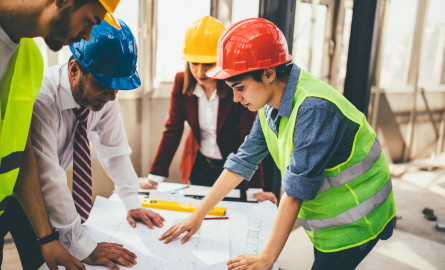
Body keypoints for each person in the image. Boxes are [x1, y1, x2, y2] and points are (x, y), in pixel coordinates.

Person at [159, 18, 396, 270]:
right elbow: (243, 160)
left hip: (356, 222)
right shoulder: (269, 103)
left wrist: (267, 258)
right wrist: (199, 214)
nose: (236, 98)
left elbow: (295, 192)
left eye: (240, 88)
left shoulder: (314, 109)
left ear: (269, 73)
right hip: (330, 220)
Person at [22, 19, 165, 269]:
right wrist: (85, 247)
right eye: (104, 86)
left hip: (48, 188)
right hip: (21, 191)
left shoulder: (104, 97)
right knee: (41, 258)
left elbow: (115, 151)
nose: (111, 97)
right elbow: (48, 176)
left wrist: (132, 201)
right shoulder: (43, 98)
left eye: (117, 89)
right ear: (75, 69)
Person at [0, 0, 122, 269]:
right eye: (90, 20)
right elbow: (49, 173)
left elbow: (24, 152)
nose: (88, 36)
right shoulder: (45, 89)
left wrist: (47, 238)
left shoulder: (28, 59)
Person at [139, 16, 277, 204]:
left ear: (221, 61)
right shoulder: (181, 83)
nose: (200, 71)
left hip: (232, 166)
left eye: (208, 63)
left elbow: (250, 136)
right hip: (198, 163)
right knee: (198, 213)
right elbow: (173, 130)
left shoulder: (237, 87)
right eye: (194, 63)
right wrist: (154, 178)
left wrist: (255, 189)